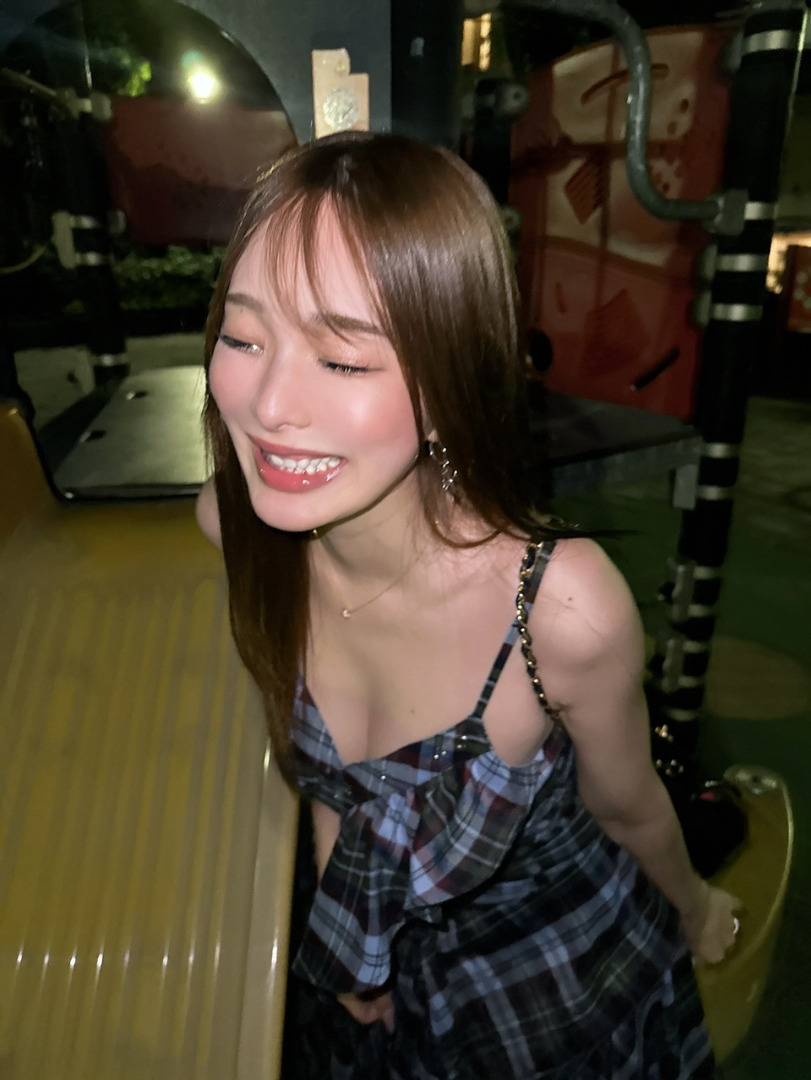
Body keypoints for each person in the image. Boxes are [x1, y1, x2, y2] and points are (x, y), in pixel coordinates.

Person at [196, 131, 740, 1079]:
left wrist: (693, 910)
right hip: (368, 997)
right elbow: (334, 790)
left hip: (555, 985)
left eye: (342, 360)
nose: (269, 405)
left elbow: (628, 810)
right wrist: (355, 946)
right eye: (243, 338)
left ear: (451, 384)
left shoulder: (557, 609)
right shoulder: (236, 524)